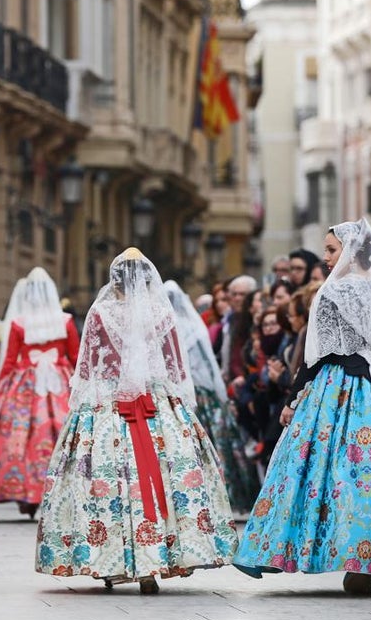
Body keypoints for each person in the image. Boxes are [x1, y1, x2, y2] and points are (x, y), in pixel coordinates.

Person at [235, 219, 371, 593]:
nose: (325, 257)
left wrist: (293, 398)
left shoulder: (332, 292)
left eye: (332, 249)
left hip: (340, 386)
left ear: (351, 252)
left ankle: (315, 549)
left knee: (333, 471)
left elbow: (317, 355)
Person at [35, 248, 237, 593]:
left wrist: (82, 405)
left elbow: (88, 366)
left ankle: (109, 559)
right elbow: (175, 366)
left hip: (107, 404)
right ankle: (159, 556)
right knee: (163, 475)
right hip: (156, 402)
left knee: (105, 478)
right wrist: (180, 405)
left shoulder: (100, 312)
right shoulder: (161, 312)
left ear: (114, 280)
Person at [0, 268, 80, 517]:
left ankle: (26, 491)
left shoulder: (18, 323)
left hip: (24, 382)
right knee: (60, 430)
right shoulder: (65, 321)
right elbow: (76, 356)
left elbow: (9, 361)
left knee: (20, 435)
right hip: (60, 380)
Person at [166, 280, 261, 512]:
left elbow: (207, 363)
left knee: (210, 443)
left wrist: (218, 392)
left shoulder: (183, 327)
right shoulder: (186, 326)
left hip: (195, 393)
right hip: (193, 392)